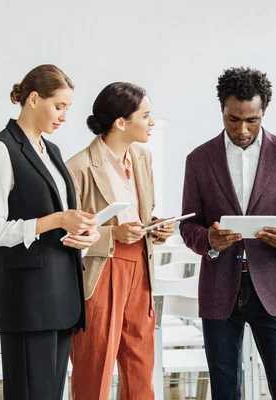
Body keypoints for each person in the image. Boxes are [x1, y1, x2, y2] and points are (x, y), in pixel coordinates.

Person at [180, 67, 276, 399]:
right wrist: (208, 240)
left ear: (264, 111)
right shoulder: (198, 159)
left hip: (272, 286)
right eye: (233, 119)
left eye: (251, 120)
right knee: (225, 389)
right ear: (222, 110)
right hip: (219, 287)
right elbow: (188, 225)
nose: (241, 129)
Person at [0, 64, 100, 400]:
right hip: (28, 299)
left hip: (61, 294)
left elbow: (60, 223)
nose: (63, 116)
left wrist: (83, 238)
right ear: (33, 99)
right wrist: (57, 219)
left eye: (67, 109)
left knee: (49, 393)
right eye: (58, 106)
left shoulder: (52, 152)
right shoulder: (1, 150)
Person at [66, 82, 174, 400]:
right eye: (146, 115)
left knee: (141, 366)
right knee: (94, 365)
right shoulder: (79, 167)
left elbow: (144, 212)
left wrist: (155, 227)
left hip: (141, 267)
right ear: (121, 123)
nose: (152, 122)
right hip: (100, 272)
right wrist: (112, 234)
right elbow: (66, 234)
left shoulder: (143, 157)